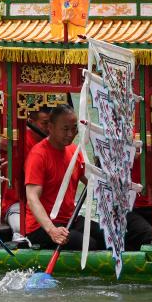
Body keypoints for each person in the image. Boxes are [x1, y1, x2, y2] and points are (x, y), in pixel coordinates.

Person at [23, 104, 105, 251]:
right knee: (90, 244)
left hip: (69, 219)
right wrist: (52, 230)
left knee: (105, 235)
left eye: (74, 128)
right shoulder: (38, 155)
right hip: (41, 227)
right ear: (51, 127)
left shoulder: (74, 151)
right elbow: (32, 198)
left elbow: (92, 181)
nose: (71, 134)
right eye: (65, 129)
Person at [3, 107, 51, 240]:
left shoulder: (54, 144)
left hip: (46, 202)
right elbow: (12, 174)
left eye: (51, 123)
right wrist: (9, 152)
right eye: (44, 123)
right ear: (31, 122)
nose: (49, 128)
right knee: (20, 230)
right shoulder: (20, 142)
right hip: (18, 203)